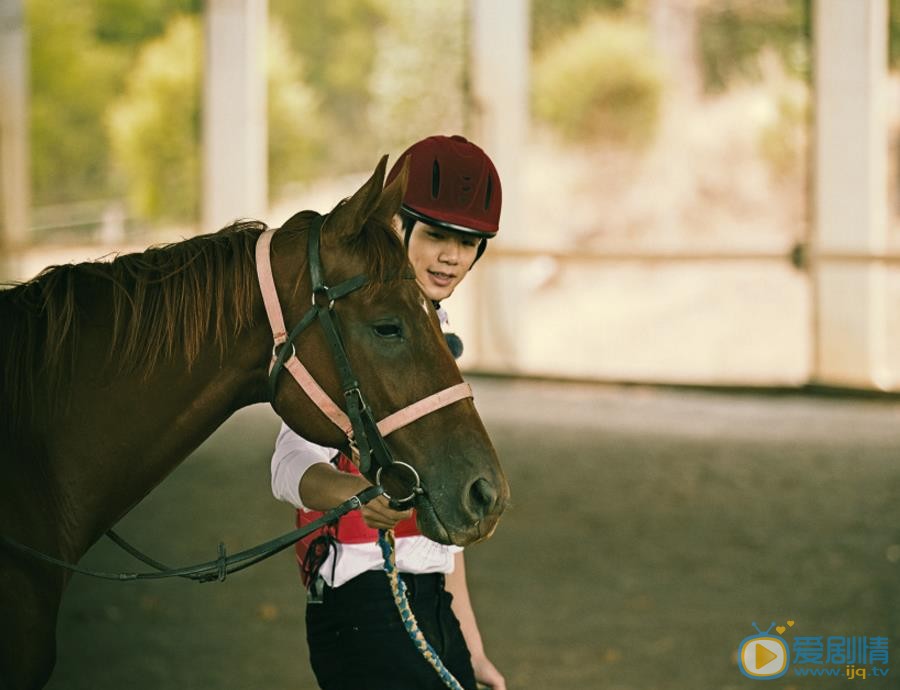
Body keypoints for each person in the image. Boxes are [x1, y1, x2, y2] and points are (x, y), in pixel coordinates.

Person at [270, 135, 507, 690]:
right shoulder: (349, 332)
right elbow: (287, 468)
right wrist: (356, 495)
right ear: (395, 228)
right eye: (437, 236)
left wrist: (471, 649)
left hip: (434, 605)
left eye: (469, 242)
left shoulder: (437, 343)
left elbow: (443, 535)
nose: (451, 255)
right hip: (361, 604)